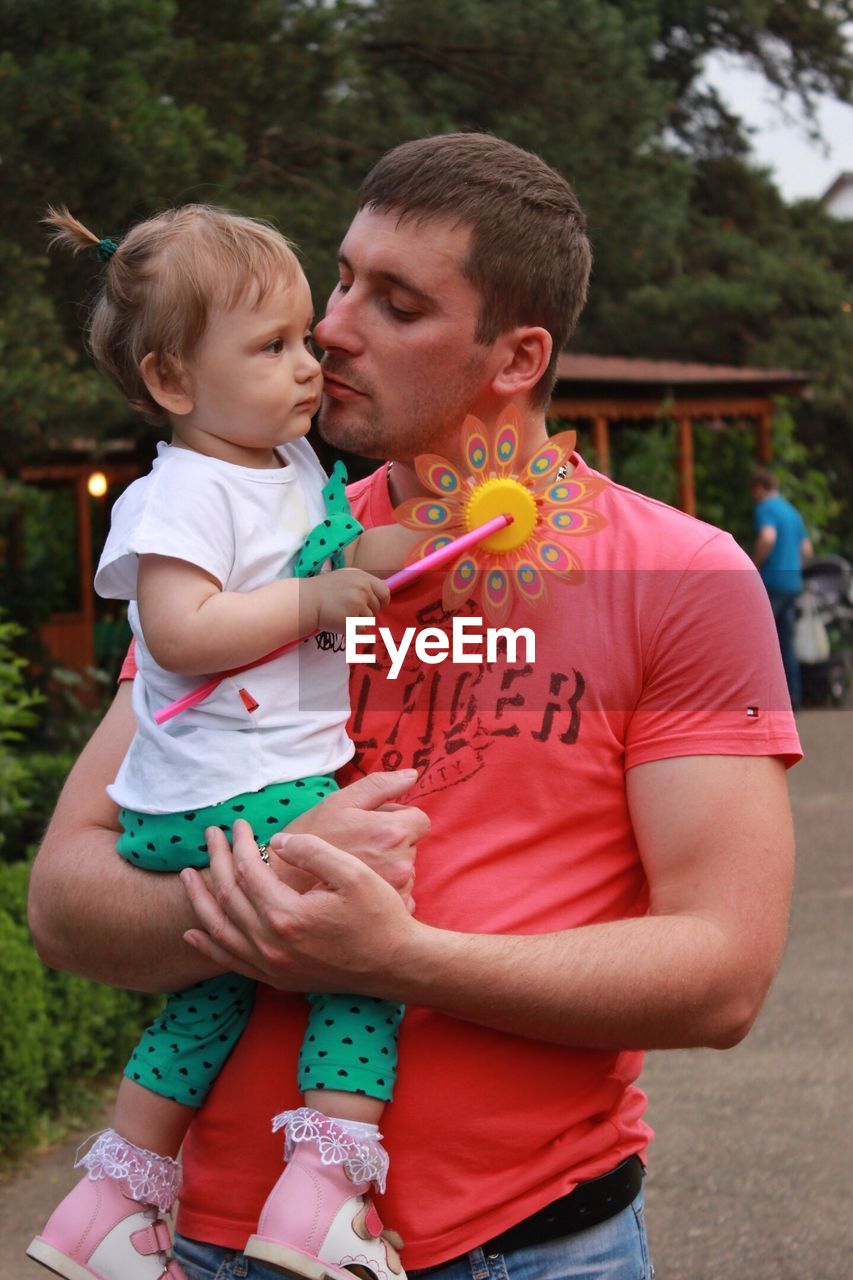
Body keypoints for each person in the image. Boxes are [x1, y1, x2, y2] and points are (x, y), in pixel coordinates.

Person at [28, 134, 800, 1280]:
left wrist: (399, 955)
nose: (332, 327)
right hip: (210, 1241)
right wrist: (272, 882)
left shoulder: (680, 576)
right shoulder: (253, 538)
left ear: (515, 353)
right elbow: (66, 901)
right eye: (341, 278)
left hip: (532, 1246)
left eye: (394, 303)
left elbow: (722, 970)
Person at [28, 204, 419, 1280]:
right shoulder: (181, 494)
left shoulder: (286, 463)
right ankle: (323, 1198)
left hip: (242, 782)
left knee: (215, 992)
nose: (310, 364)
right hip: (216, 788)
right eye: (272, 346)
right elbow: (181, 631)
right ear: (170, 381)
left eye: (304, 337)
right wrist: (311, 600)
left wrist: (423, 534)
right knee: (361, 943)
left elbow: (347, 550)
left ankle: (111, 1201)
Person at [749, 467, 813, 708]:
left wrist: (752, 565)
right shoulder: (792, 512)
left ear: (758, 488)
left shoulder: (765, 508)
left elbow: (767, 538)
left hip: (772, 584)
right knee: (787, 643)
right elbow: (807, 550)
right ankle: (793, 698)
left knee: (762, 642)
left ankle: (764, 700)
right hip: (792, 584)